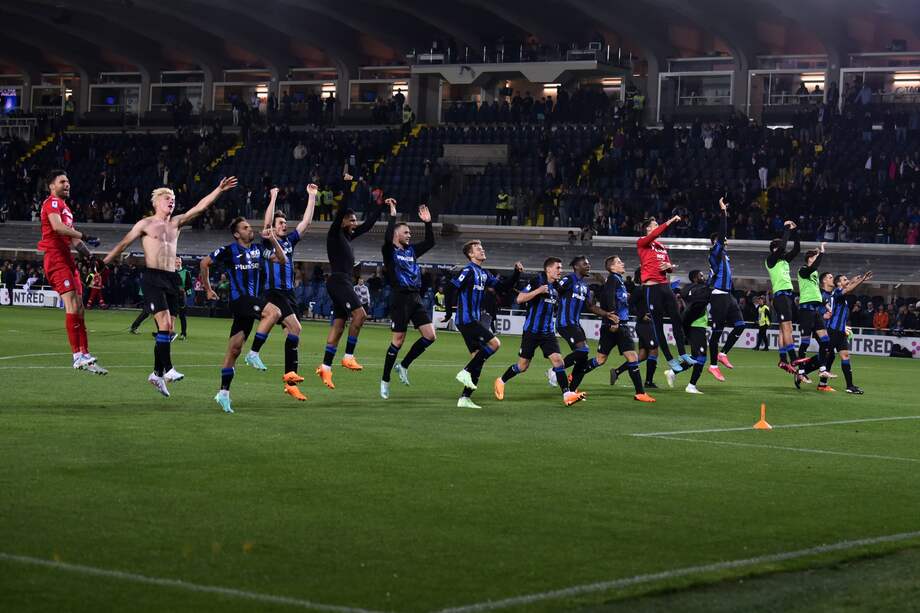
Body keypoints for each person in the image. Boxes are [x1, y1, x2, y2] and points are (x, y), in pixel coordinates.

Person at [103, 177, 238, 396]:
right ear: (156, 202)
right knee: (164, 325)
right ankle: (167, 369)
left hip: (171, 278)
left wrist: (219, 189)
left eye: (174, 199)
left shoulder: (176, 223)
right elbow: (123, 244)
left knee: (170, 329)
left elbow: (200, 207)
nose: (172, 201)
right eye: (168, 198)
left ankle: (156, 374)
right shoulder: (145, 224)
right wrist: (103, 264)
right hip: (153, 277)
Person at [200, 217, 287, 413]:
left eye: (249, 227)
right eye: (245, 228)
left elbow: (281, 259)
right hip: (240, 300)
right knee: (274, 312)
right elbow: (204, 263)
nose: (250, 230)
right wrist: (207, 289)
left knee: (234, 349)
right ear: (237, 234)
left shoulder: (257, 249)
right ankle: (254, 353)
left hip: (250, 303)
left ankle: (223, 393)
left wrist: (273, 239)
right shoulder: (228, 250)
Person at [242, 185, 317, 402]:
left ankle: (290, 383)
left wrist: (312, 197)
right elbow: (266, 224)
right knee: (296, 327)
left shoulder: (290, 241)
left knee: (293, 335)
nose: (285, 225)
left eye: (285, 223)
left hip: (289, 294)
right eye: (281, 223)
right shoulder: (268, 240)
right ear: (274, 227)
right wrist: (273, 197)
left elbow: (306, 223)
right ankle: (254, 353)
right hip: (274, 292)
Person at [316, 174, 384, 389]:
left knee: (338, 326)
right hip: (338, 281)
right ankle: (348, 356)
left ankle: (325, 368)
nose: (355, 223)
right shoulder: (335, 233)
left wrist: (381, 205)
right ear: (343, 220)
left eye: (355, 220)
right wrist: (347, 184)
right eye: (352, 219)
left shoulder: (348, 236)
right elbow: (342, 206)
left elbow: (369, 224)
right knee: (360, 314)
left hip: (342, 282)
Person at [37, 169, 107, 374]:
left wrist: (92, 258)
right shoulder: (51, 203)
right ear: (52, 186)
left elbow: (74, 240)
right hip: (55, 258)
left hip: (68, 260)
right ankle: (77, 356)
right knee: (72, 305)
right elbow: (58, 228)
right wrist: (86, 235)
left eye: (68, 182)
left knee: (80, 308)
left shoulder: (66, 209)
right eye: (62, 182)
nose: (67, 185)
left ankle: (85, 355)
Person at [493, 257, 586, 406]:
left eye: (561, 268)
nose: (560, 271)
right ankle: (501, 380)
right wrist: (538, 291)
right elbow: (520, 299)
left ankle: (567, 395)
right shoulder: (537, 281)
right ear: (548, 269)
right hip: (532, 331)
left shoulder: (557, 287)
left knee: (558, 361)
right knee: (522, 366)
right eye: (558, 268)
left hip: (547, 332)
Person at [443, 240, 522, 408]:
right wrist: (449, 312)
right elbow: (450, 288)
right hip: (467, 320)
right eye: (478, 249)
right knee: (495, 343)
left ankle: (464, 398)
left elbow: (502, 287)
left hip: (473, 320)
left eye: (482, 248)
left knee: (478, 359)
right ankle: (465, 371)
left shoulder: (484, 273)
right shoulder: (468, 270)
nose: (482, 250)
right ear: (471, 254)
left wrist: (516, 274)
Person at [379, 199, 436, 399]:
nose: (410, 235)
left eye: (410, 233)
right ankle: (385, 379)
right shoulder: (389, 251)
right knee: (398, 340)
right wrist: (393, 215)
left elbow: (430, 242)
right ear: (396, 234)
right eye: (406, 232)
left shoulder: (411, 251)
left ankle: (403, 365)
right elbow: (386, 239)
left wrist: (428, 223)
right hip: (400, 297)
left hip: (416, 297)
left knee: (430, 336)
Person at [578, 256, 655, 402]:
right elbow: (609, 298)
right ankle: (640, 393)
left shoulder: (617, 280)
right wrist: (614, 319)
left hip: (614, 325)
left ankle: (574, 376)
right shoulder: (614, 279)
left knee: (600, 360)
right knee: (632, 357)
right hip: (617, 325)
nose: (623, 263)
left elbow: (615, 297)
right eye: (619, 262)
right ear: (612, 267)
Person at [547, 256, 615, 391]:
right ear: (576, 266)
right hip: (564, 323)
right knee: (583, 350)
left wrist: (607, 314)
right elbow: (557, 288)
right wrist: (553, 280)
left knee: (583, 359)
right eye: (585, 264)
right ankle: (555, 370)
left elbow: (591, 307)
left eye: (588, 264)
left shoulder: (585, 287)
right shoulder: (568, 279)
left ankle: (572, 391)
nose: (588, 266)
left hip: (575, 324)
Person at [799, 271, 873, 394]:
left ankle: (850, 386)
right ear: (838, 283)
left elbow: (847, 286)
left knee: (844, 356)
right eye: (844, 280)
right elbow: (847, 289)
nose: (847, 281)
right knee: (827, 356)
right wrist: (862, 280)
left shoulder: (840, 296)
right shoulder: (837, 293)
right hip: (832, 330)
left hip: (840, 331)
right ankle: (811, 376)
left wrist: (855, 279)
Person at [637, 215, 693, 374]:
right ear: (648, 228)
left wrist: (669, 266)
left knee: (677, 319)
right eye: (655, 225)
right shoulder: (642, 242)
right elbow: (655, 234)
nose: (657, 227)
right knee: (658, 326)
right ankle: (670, 359)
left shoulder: (661, 247)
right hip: (652, 288)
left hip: (664, 285)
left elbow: (669, 268)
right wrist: (669, 222)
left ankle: (682, 354)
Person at [706, 198, 746, 381]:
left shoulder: (725, 256)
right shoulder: (715, 252)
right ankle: (713, 365)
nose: (726, 240)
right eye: (723, 239)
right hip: (718, 296)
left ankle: (722, 354)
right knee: (717, 332)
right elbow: (722, 234)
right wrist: (723, 213)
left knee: (740, 325)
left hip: (728, 296)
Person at [664, 270, 712, 394]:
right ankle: (691, 386)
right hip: (696, 325)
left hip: (693, 324)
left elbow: (683, 295)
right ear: (695, 278)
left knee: (696, 356)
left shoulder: (687, 289)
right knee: (701, 357)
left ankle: (673, 371)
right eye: (701, 275)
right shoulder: (700, 289)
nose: (703, 277)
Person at [793, 242, 833, 384]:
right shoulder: (803, 270)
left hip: (815, 311)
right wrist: (821, 252)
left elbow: (816, 291)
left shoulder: (814, 273)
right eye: (815, 257)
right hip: (805, 310)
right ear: (810, 258)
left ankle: (822, 369)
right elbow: (814, 266)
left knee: (826, 341)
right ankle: (801, 372)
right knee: (805, 343)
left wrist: (825, 304)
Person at [765, 219, 800, 372]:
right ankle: (794, 358)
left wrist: (795, 232)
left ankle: (782, 359)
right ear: (774, 249)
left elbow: (797, 249)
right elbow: (783, 247)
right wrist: (787, 229)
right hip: (781, 296)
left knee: (782, 329)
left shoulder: (783, 260)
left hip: (787, 296)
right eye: (780, 248)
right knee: (787, 328)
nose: (784, 251)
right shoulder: (771, 260)